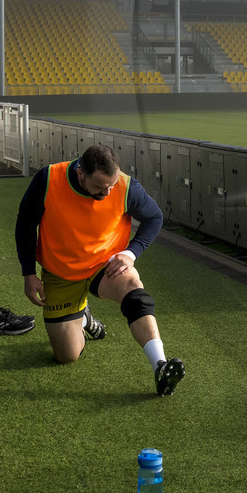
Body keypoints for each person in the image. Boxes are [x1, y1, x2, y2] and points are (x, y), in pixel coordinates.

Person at [14, 144, 185, 397]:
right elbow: (26, 223)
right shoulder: (49, 178)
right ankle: (83, 317)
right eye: (99, 186)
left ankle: (159, 365)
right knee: (67, 356)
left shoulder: (127, 186)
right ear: (81, 172)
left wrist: (130, 253)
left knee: (133, 289)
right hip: (60, 274)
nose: (106, 192)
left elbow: (154, 217)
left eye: (111, 185)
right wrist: (28, 273)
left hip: (105, 266)